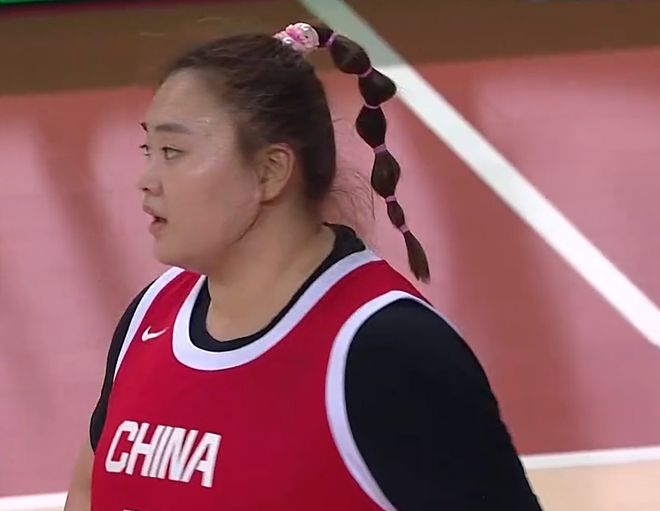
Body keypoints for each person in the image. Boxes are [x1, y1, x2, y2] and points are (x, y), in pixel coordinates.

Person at [64, 22, 542, 511]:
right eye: (148, 150)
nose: (147, 179)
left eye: (173, 152)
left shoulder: (386, 350)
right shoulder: (153, 313)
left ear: (271, 171)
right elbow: (88, 492)